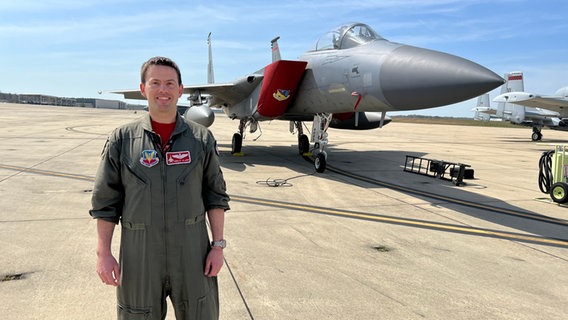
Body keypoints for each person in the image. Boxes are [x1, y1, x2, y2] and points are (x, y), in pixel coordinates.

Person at [90, 56, 230, 320]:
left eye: (170, 83)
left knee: (201, 313)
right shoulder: (122, 140)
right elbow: (105, 203)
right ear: (143, 88)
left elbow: (215, 196)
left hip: (192, 254)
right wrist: (104, 253)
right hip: (140, 255)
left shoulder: (200, 139)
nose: (163, 90)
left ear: (180, 90)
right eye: (155, 83)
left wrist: (218, 246)